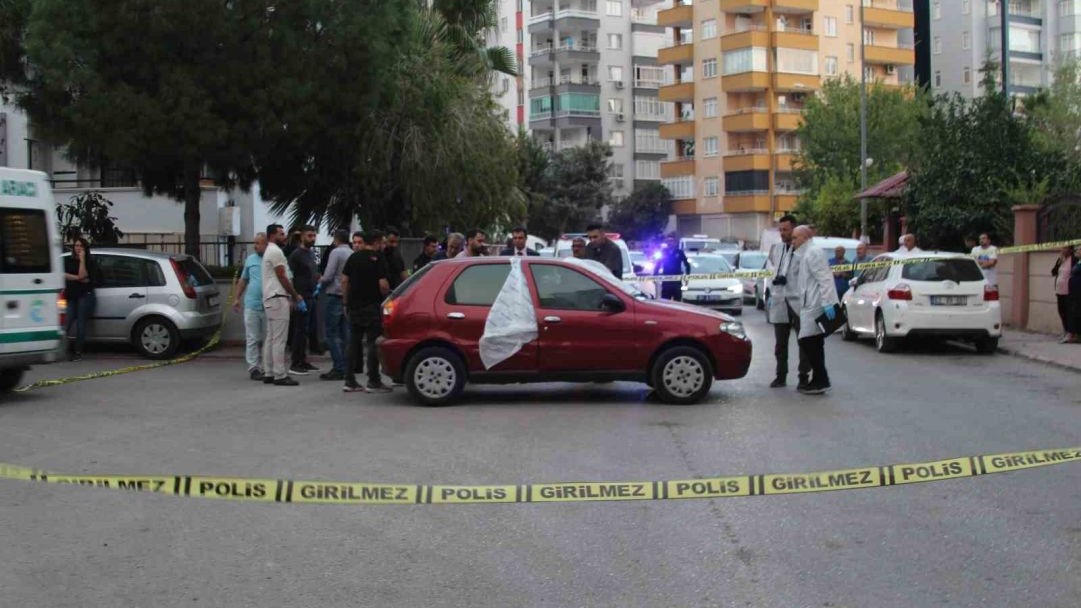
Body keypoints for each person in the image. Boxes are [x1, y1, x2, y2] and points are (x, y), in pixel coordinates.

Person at [787, 225, 840, 395]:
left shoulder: (813, 253)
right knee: (815, 341)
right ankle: (819, 379)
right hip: (810, 302)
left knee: (807, 340)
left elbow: (824, 279)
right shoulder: (806, 253)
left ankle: (821, 379)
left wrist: (827, 302)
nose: (792, 241)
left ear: (804, 237)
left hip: (815, 303)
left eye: (795, 238)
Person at [341, 231, 392, 393]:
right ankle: (373, 380)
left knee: (353, 342)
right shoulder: (379, 259)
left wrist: (345, 302)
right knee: (372, 343)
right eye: (382, 242)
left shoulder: (353, 257)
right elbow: (383, 285)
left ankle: (349, 380)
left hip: (354, 306)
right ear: (376, 242)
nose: (383, 245)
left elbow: (344, 280)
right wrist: (388, 295)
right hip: (372, 305)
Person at [765, 215, 810, 389]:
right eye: (780, 230)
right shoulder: (777, 249)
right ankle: (780, 375)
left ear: (794, 230)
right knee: (780, 343)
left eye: (786, 230)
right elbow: (771, 268)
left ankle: (803, 376)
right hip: (780, 300)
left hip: (798, 300)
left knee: (803, 342)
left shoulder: (803, 251)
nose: (782, 233)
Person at [262, 224, 304, 386]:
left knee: (271, 337)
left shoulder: (269, 251)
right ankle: (279, 374)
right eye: (281, 234)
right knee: (279, 339)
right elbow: (282, 275)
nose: (284, 236)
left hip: (270, 297)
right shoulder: (276, 251)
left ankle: (269, 372)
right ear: (272, 235)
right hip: (278, 297)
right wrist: (294, 294)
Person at [233, 233, 268, 380]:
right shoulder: (250, 259)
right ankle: (254, 367)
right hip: (252, 304)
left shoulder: (272, 258)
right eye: (255, 243)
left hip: (269, 304)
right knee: (252, 338)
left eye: (258, 243)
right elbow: (243, 279)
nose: (255, 246)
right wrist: (237, 298)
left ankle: (267, 367)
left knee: (268, 338)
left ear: (266, 244)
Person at [319, 229, 352, 380]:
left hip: (334, 294)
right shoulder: (351, 253)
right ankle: (347, 365)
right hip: (346, 296)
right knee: (345, 333)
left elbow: (328, 275)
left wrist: (320, 280)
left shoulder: (335, 252)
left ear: (336, 239)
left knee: (331, 333)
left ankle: (338, 367)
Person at [287, 225, 320, 376]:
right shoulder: (296, 255)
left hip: (311, 295)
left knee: (307, 330)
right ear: (302, 237)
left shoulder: (311, 254)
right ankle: (295, 363)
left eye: (314, 236)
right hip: (301, 297)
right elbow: (290, 276)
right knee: (299, 330)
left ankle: (303, 360)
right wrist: (294, 296)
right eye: (309, 236)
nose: (312, 239)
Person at [62, 237, 99, 361]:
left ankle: (78, 351)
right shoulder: (69, 260)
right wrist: (78, 278)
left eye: (81, 246)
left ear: (85, 248)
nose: (78, 248)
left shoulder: (90, 262)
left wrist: (82, 260)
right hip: (72, 294)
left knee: (81, 323)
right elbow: (64, 275)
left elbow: (85, 276)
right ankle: (62, 348)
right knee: (67, 320)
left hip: (85, 294)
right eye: (76, 246)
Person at [655, 235, 690, 301]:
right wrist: (655, 275)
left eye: (671, 241)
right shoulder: (663, 252)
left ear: (675, 242)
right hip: (666, 282)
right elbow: (658, 265)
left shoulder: (679, 252)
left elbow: (687, 265)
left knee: (677, 302)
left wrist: (687, 276)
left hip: (676, 282)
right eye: (668, 241)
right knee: (665, 301)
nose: (669, 243)